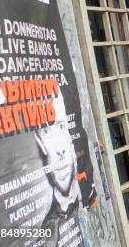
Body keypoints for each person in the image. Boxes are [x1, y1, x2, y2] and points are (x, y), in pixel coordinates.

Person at [33, 94, 85, 247]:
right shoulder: (47, 231)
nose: (59, 150)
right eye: (46, 132)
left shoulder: (86, 197)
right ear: (40, 143)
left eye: (61, 127)